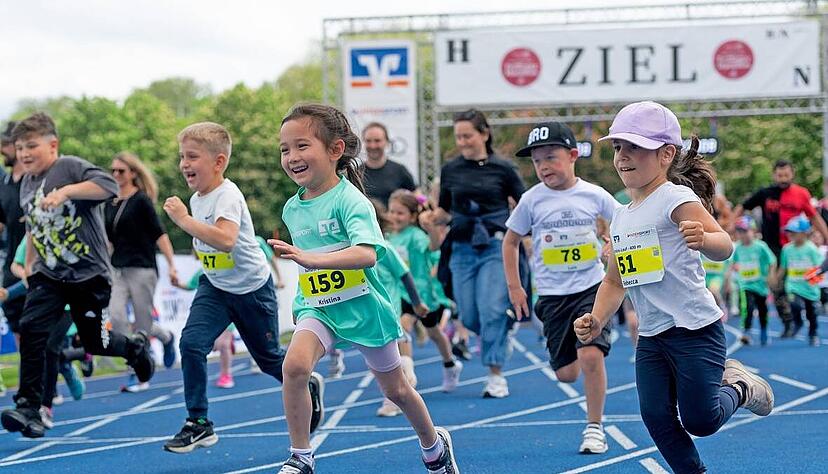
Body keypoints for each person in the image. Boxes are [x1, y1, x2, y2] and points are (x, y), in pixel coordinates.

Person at [573, 101, 774, 474]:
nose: (623, 157)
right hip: (652, 335)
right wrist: (597, 319)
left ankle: (741, 386)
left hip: (695, 329)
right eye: (618, 147)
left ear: (666, 154)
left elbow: (724, 245)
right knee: (655, 416)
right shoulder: (620, 215)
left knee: (701, 420)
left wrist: (704, 238)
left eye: (635, 147)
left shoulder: (675, 197)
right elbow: (617, 279)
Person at [273, 104, 458, 473]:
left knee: (397, 391)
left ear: (335, 149)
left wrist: (315, 261)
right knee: (293, 367)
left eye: (301, 146)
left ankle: (435, 446)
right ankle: (301, 456)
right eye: (284, 149)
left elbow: (367, 254)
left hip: (364, 309)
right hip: (320, 307)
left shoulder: (350, 201)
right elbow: (305, 264)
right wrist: (300, 300)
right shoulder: (292, 209)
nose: (291, 157)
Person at [161, 122, 324, 454]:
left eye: (192, 157)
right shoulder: (197, 198)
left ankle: (306, 382)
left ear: (218, 162)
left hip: (252, 289)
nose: (184, 164)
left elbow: (225, 239)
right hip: (216, 288)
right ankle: (199, 423)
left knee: (268, 361)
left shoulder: (227, 195)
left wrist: (182, 220)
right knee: (191, 344)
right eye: (182, 157)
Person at [0, 113, 155, 439]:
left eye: (32, 146)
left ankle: (135, 350)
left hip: (88, 275)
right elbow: (33, 226)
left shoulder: (68, 166)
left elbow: (109, 185)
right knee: (31, 329)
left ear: (52, 144)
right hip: (49, 274)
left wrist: (67, 192)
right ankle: (30, 406)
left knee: (94, 342)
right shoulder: (27, 181)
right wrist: (29, 264)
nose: (25, 153)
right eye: (20, 147)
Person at [502, 121, 618, 453]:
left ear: (572, 155)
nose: (543, 167)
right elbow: (510, 243)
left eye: (551, 158)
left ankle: (595, 427)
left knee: (592, 356)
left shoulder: (595, 195)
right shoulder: (531, 200)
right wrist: (515, 286)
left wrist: (611, 243)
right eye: (537, 161)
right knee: (567, 374)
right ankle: (567, 354)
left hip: (591, 288)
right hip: (552, 295)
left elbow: (624, 224)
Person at [419, 109, 525, 398]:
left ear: (484, 134)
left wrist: (521, 235)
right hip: (462, 246)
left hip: (495, 244)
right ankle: (501, 332)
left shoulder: (503, 168)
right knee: (468, 314)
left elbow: (524, 204)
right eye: (458, 137)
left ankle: (495, 374)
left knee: (492, 308)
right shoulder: (451, 169)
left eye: (467, 135)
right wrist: (431, 219)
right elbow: (444, 210)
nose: (463, 142)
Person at [105, 152, 178, 387]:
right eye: (113, 171)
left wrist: (172, 265)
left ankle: (157, 349)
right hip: (118, 269)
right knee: (116, 319)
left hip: (142, 268)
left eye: (121, 171)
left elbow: (160, 234)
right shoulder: (110, 202)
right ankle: (139, 361)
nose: (116, 175)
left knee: (142, 322)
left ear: (133, 173)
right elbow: (107, 240)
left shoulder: (141, 201)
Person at [736, 159, 828, 336]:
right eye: (779, 175)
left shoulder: (801, 194)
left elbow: (814, 216)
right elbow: (743, 206)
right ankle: (788, 322)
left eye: (786, 174)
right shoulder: (765, 193)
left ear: (792, 174)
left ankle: (801, 315)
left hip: (794, 246)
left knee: (796, 284)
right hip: (772, 247)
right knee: (777, 285)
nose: (783, 178)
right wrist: (730, 224)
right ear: (774, 175)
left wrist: (825, 235)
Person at [387, 190, 462, 393]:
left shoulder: (416, 236)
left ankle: (450, 364)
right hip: (396, 293)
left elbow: (434, 246)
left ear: (412, 216)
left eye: (400, 213)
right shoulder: (387, 236)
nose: (394, 216)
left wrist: (431, 229)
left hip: (420, 294)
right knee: (401, 328)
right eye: (392, 212)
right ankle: (407, 376)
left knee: (435, 333)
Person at [728, 216, 776, 346]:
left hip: (761, 285)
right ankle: (746, 331)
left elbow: (772, 261)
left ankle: (764, 330)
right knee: (747, 307)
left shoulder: (761, 246)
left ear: (753, 231)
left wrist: (771, 276)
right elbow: (733, 263)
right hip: (745, 284)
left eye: (745, 231)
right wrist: (729, 277)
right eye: (739, 232)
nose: (742, 235)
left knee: (763, 310)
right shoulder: (738, 248)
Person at [0, 122, 27, 351]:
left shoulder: (34, 179)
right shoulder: (4, 182)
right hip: (11, 262)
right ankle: (30, 381)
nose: (2, 150)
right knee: (17, 324)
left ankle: (65, 366)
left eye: (5, 145)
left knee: (39, 328)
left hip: (36, 259)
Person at [775, 215, 822, 346]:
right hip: (793, 285)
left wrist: (815, 281)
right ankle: (798, 321)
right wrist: (777, 280)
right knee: (794, 304)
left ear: (804, 233)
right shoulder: (787, 249)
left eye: (794, 232)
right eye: (789, 232)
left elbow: (819, 268)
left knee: (812, 314)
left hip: (810, 288)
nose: (790, 235)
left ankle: (813, 334)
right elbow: (783, 267)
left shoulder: (811, 249)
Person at [362, 122, 416, 205]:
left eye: (377, 141)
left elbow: (416, 195)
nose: (373, 146)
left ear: (387, 142)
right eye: (368, 141)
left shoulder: (400, 171)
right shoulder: (356, 173)